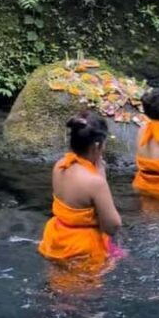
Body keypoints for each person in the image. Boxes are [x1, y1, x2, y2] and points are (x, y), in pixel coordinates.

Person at [39, 112, 122, 268]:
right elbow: (112, 226)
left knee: (59, 283)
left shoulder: (60, 165)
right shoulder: (95, 182)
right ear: (97, 145)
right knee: (83, 291)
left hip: (56, 237)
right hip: (82, 247)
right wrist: (101, 178)